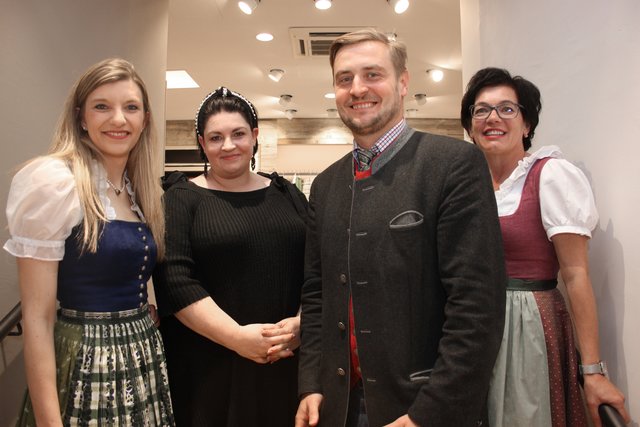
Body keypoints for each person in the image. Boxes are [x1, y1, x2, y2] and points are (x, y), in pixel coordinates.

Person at [295, 29, 506, 427]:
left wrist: (428, 414)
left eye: (372, 74)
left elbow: (477, 311)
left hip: (422, 406)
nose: (357, 88)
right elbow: (317, 293)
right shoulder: (324, 185)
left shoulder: (454, 165)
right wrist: (311, 384)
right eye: (344, 79)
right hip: (340, 406)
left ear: (403, 82)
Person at [4, 58, 174, 426]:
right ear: (81, 117)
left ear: (144, 120)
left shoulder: (138, 190)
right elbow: (37, 317)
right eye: (102, 106)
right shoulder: (55, 182)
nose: (118, 119)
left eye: (131, 107)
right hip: (86, 357)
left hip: (140, 356)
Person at [460, 67, 630, 427]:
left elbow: (575, 274)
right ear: (471, 127)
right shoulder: (469, 185)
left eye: (507, 108)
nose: (493, 117)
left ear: (526, 125)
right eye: (481, 110)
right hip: (473, 327)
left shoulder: (549, 174)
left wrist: (593, 371)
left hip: (527, 327)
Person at [153, 86, 307, 426]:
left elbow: (319, 267)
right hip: (210, 368)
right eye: (215, 137)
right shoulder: (180, 199)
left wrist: (301, 323)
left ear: (254, 136)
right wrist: (238, 339)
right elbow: (175, 280)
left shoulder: (288, 195)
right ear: (202, 142)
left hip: (287, 361)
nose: (228, 146)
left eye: (238, 134)